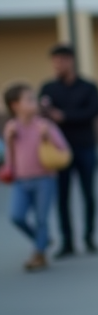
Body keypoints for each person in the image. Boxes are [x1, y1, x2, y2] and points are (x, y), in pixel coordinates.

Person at [39, 45, 98, 256]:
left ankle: (89, 238)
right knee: (62, 196)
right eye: (54, 61)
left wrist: (64, 116)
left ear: (71, 61)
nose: (58, 65)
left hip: (85, 146)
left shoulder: (88, 87)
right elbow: (41, 114)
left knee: (88, 194)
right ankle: (67, 241)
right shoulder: (48, 88)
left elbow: (94, 111)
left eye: (61, 60)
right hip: (59, 151)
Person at [3, 82, 71, 271]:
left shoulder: (44, 125)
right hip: (21, 180)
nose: (35, 103)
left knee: (42, 218)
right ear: (15, 105)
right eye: (29, 100)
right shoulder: (11, 127)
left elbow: (64, 150)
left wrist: (46, 137)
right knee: (17, 216)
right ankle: (42, 240)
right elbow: (10, 157)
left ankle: (39, 254)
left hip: (44, 179)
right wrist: (8, 141)